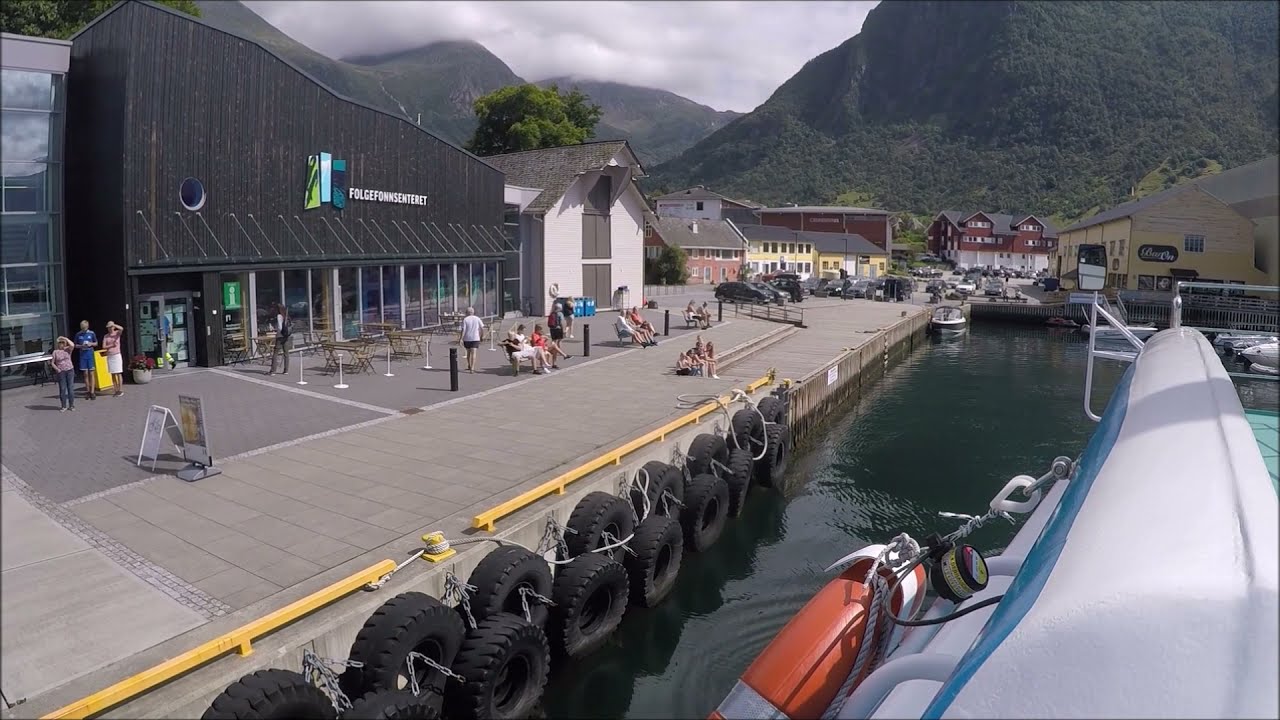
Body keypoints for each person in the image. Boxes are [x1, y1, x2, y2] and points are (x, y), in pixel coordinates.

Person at [74, 320, 98, 400]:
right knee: (85, 374)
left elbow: (96, 343)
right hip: (82, 354)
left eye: (85, 328)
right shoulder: (78, 334)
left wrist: (91, 344)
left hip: (90, 354)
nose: (84, 329)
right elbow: (75, 345)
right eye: (82, 328)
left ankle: (92, 392)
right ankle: (87, 391)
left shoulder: (91, 333)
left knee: (91, 373)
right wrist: (81, 346)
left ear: (87, 327)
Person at [50, 336, 76, 412]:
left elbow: (73, 345)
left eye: (63, 343)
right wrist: (57, 369)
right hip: (61, 372)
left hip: (69, 370)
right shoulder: (55, 352)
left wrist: (65, 339)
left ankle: (71, 405)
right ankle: (63, 406)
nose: (61, 344)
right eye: (60, 343)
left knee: (70, 388)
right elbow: (52, 363)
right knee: (62, 388)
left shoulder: (68, 349)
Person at [458, 306, 484, 373]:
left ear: (467, 313)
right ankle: (472, 368)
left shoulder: (465, 319)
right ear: (473, 312)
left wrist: (461, 338)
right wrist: (482, 336)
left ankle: (469, 365)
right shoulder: (477, 318)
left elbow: (463, 330)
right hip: (475, 338)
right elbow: (482, 328)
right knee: (474, 353)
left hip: (467, 338)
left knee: (468, 352)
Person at [268, 303, 291, 375]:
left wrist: (277, 330)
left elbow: (280, 327)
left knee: (275, 353)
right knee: (286, 353)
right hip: (286, 336)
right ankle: (286, 370)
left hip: (280, 336)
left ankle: (273, 371)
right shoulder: (286, 315)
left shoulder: (279, 316)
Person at [102, 321, 124, 396]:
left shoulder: (117, 333)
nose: (110, 329)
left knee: (118, 373)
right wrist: (111, 345)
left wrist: (114, 324)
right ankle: (116, 390)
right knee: (113, 373)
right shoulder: (106, 336)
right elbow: (104, 346)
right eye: (108, 327)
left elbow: (121, 328)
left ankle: (120, 390)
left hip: (117, 355)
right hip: (110, 355)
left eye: (111, 327)